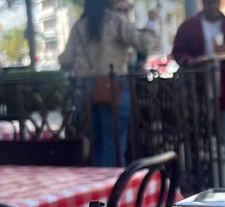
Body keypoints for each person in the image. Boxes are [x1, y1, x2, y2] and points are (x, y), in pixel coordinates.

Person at [59, 0, 158, 167]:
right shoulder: (115, 21)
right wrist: (152, 22)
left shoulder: (79, 25)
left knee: (95, 140)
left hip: (85, 88)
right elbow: (144, 43)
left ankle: (99, 183)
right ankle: (114, 184)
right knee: (114, 142)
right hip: (112, 86)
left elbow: (66, 59)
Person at [171, 0, 225, 188]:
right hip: (199, 91)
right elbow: (178, 52)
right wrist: (192, 62)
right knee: (200, 135)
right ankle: (203, 178)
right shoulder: (189, 26)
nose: (212, 6)